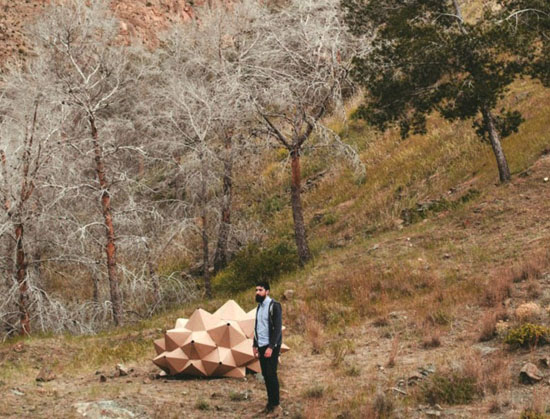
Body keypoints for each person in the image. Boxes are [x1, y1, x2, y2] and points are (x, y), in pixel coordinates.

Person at [253, 281, 283, 417]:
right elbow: (257, 327)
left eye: (260, 290)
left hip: (271, 346)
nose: (257, 292)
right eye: (256, 290)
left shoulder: (274, 306)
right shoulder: (259, 307)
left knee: (271, 374)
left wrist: (271, 347)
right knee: (265, 375)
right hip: (261, 345)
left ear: (267, 291)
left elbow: (277, 329)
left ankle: (276, 406)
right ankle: (269, 404)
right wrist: (255, 345)